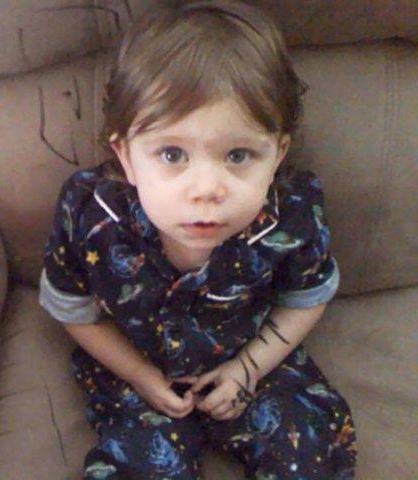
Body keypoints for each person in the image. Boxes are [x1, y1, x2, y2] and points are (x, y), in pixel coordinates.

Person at [39, 1, 357, 478]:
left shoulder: (292, 214)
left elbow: (307, 297)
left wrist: (247, 369)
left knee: (307, 452)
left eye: (238, 155)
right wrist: (141, 377)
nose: (207, 189)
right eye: (172, 154)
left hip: (253, 362)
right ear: (126, 156)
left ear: (277, 155)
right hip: (137, 369)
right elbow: (72, 307)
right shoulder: (90, 213)